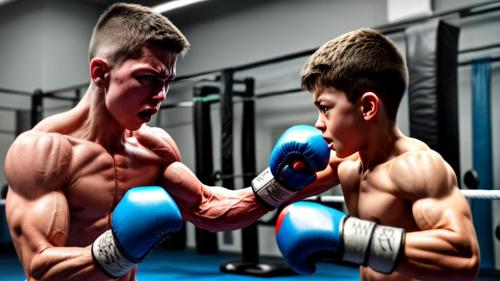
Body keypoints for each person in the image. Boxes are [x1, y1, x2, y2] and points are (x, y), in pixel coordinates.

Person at [4, 3, 331, 281]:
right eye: (148, 78)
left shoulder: (153, 149)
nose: (160, 96)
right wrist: (118, 249)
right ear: (100, 72)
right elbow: (40, 266)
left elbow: (209, 208)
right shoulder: (45, 153)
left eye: (167, 82)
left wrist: (281, 183)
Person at [275, 28, 480, 281]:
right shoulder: (346, 166)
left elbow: (464, 256)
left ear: (368, 107)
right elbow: (266, 197)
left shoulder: (418, 167)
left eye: (325, 108)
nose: (317, 124)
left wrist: (351, 237)